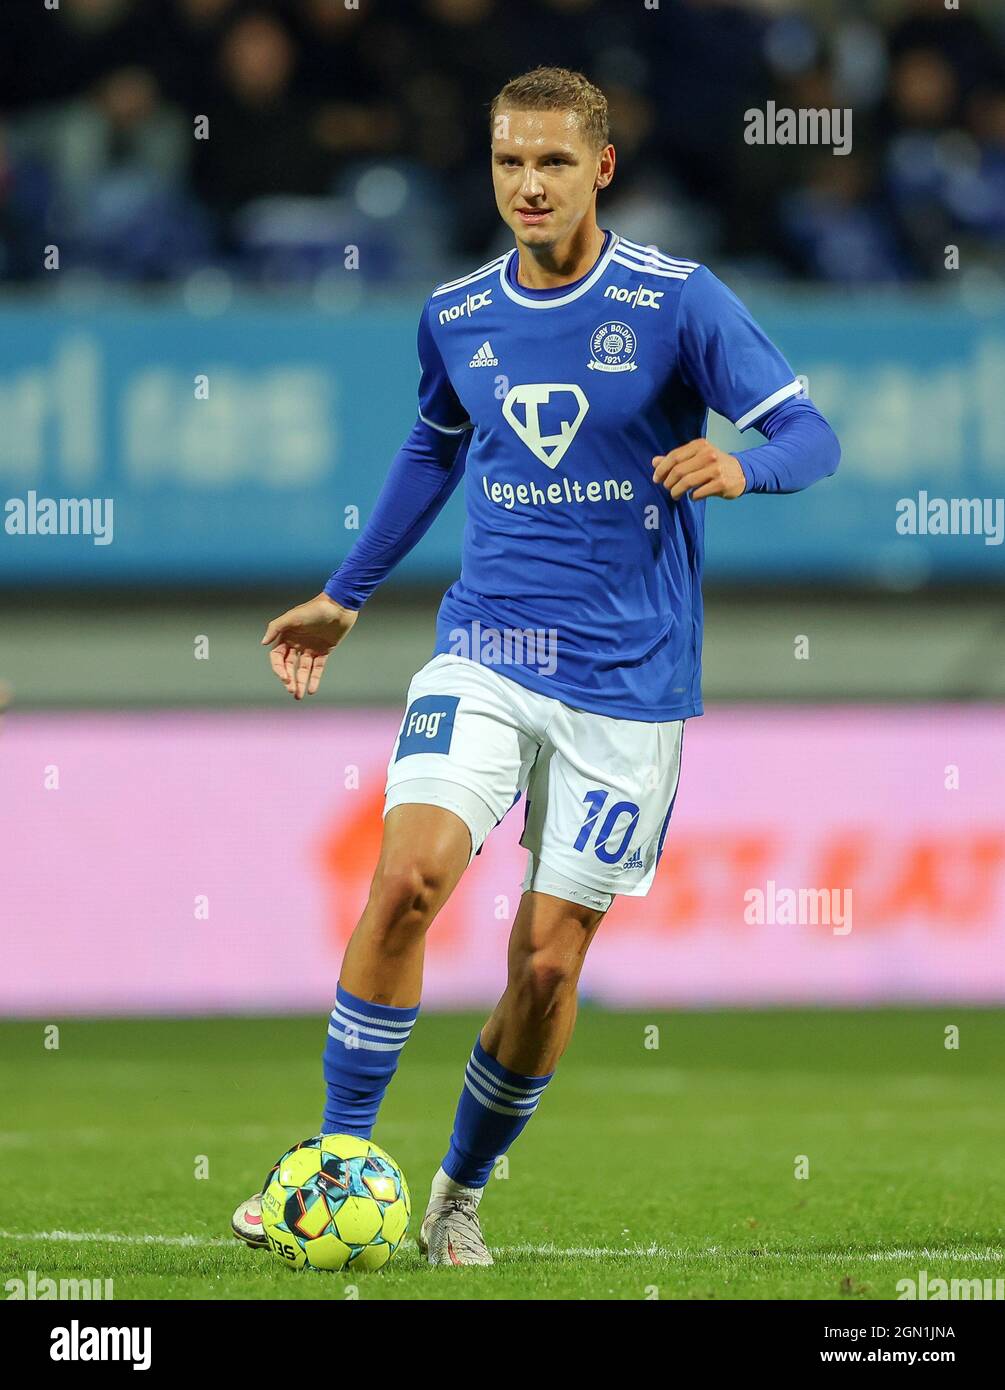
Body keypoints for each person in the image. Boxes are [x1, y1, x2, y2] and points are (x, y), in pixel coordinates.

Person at [231, 65, 840, 1267]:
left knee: (549, 965)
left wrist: (742, 466)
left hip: (630, 682)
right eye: (510, 161)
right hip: (487, 652)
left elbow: (810, 435)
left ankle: (457, 1188)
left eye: (554, 162)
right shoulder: (458, 314)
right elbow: (430, 449)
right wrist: (345, 594)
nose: (529, 184)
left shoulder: (680, 302)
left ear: (600, 169)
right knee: (406, 879)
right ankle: (334, 1159)